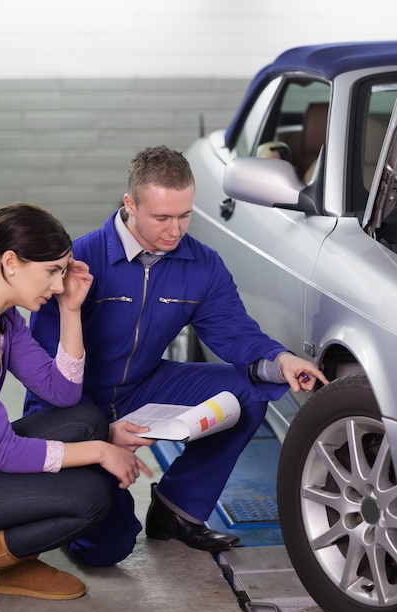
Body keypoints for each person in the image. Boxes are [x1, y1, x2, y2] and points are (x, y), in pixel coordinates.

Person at [24, 145, 329, 568]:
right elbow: (40, 368)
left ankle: (176, 510)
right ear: (130, 205)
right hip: (76, 407)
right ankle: (66, 505)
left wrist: (281, 361)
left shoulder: (201, 264)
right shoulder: (81, 260)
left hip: (145, 386)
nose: (175, 230)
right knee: (108, 548)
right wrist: (92, 435)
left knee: (248, 390)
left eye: (185, 215)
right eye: (162, 218)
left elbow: (233, 330)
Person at [0, 203, 152, 600]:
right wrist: (99, 451)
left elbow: (62, 393)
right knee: (91, 498)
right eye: (52, 272)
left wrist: (70, 309)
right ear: (10, 263)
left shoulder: (4, 318)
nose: (58, 284)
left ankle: (8, 565)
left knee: (86, 417)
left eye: (62, 271)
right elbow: (3, 452)